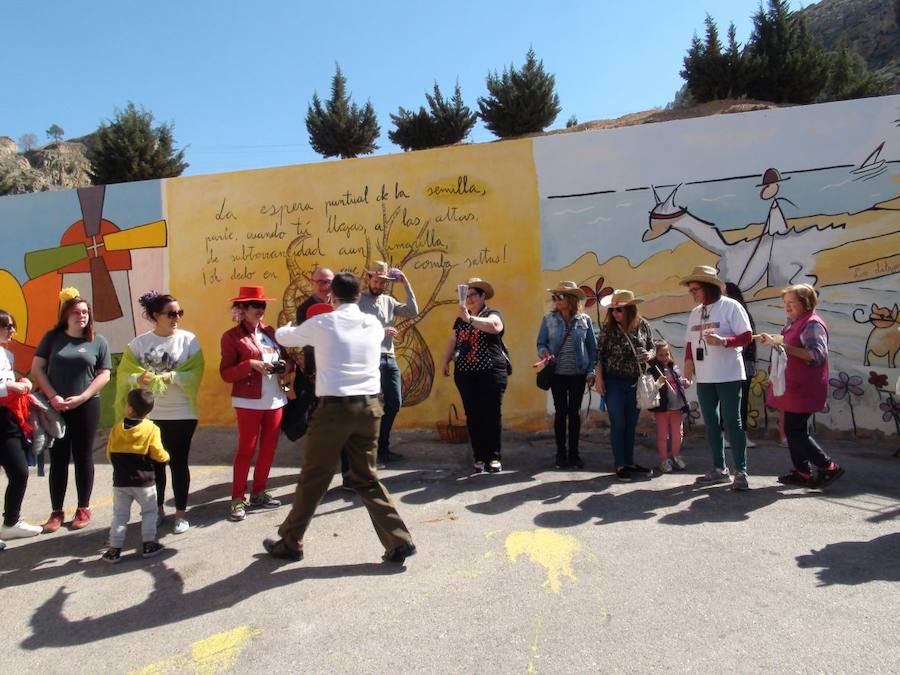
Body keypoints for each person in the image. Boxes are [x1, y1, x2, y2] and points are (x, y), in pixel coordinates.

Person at [264, 272, 416, 563]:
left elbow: (286, 336)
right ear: (359, 296)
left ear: (331, 296)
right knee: (367, 478)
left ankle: (290, 541)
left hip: (334, 409)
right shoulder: (372, 323)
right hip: (370, 408)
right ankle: (398, 539)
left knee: (313, 477)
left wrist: (284, 326)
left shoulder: (323, 322)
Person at [116, 291, 204, 534]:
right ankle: (157, 511)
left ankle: (181, 514)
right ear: (156, 315)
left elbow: (196, 373)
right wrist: (139, 377)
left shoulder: (189, 340)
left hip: (182, 413)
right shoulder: (139, 343)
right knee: (155, 466)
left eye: (179, 312)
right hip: (151, 415)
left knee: (178, 463)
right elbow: (124, 375)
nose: (176, 317)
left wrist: (172, 376)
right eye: (171, 313)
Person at [31, 288, 112, 532]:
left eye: (86, 312)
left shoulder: (98, 341)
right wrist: (53, 396)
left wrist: (83, 397)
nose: (82, 316)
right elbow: (37, 369)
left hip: (86, 405)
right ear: (66, 315)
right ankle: (56, 512)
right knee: (58, 458)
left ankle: (83, 507)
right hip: (55, 407)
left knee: (83, 455)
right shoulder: (52, 338)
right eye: (77, 312)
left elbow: (104, 373)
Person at [761, 284, 844, 487]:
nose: (787, 307)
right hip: (795, 386)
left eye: (792, 303)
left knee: (795, 431)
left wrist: (782, 346)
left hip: (804, 388)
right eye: (785, 303)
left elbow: (816, 355)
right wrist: (775, 342)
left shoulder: (812, 324)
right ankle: (802, 472)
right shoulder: (796, 322)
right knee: (793, 430)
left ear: (805, 303)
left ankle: (827, 466)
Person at [219, 285, 290, 522]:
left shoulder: (270, 331)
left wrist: (285, 366)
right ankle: (238, 498)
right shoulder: (231, 337)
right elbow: (226, 373)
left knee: (269, 449)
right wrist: (250, 365)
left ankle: (259, 492)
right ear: (243, 308)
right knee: (246, 451)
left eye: (263, 305)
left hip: (275, 398)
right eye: (255, 305)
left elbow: (289, 362)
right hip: (248, 401)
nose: (260, 309)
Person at [681, 266, 753, 490]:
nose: (692, 293)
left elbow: (747, 336)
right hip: (705, 376)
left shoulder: (731, 306)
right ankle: (719, 468)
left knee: (733, 421)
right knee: (711, 422)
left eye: (696, 289)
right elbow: (691, 342)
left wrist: (724, 341)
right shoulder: (695, 312)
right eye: (691, 290)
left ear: (709, 287)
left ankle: (740, 470)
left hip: (729, 373)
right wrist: (688, 366)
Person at [441, 278, 509, 474]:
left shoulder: (492, 313)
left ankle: (493, 457)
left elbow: (495, 327)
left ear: (482, 296)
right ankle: (479, 455)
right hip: (465, 373)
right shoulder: (459, 319)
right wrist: (445, 361)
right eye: (466, 295)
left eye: (472, 295)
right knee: (473, 415)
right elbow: (452, 341)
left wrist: (470, 319)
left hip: (490, 372)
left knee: (491, 414)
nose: (469, 299)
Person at [359, 261, 419, 465]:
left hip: (389, 357)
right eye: (376, 281)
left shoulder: (389, 301)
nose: (380, 285)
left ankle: (382, 447)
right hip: (369, 358)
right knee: (369, 407)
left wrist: (407, 284)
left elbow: (413, 311)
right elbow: (353, 330)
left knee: (394, 402)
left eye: (384, 282)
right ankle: (368, 450)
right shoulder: (358, 301)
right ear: (368, 279)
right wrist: (381, 332)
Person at [101, 389, 170, 563]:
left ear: (130, 409)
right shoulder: (151, 429)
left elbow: (108, 453)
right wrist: (166, 457)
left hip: (121, 481)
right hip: (144, 481)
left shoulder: (117, 428)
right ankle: (148, 544)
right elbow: (158, 453)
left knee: (120, 515)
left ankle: (114, 550)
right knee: (149, 513)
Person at [593, 289, 654, 482]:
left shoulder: (643, 325)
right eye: (613, 310)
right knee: (618, 423)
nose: (615, 314)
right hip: (614, 381)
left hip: (635, 382)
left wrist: (649, 355)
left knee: (631, 424)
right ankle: (620, 463)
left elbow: (653, 347)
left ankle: (629, 462)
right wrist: (599, 379)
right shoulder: (608, 329)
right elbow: (599, 356)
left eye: (619, 310)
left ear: (629, 309)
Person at [536, 281, 597, 469]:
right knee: (561, 413)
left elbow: (592, 348)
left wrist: (591, 371)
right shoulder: (548, 319)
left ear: (570, 299)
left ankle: (574, 454)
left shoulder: (584, 320)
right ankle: (561, 454)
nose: (555, 300)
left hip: (578, 374)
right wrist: (544, 353)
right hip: (557, 374)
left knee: (574, 413)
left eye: (559, 297)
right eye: (554, 297)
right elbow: (541, 343)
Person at [0, 310, 42, 550]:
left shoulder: (6, 354)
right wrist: (12, 386)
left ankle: (11, 521)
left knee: (19, 471)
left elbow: (8, 382)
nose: (12, 330)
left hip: (9, 419)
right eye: (6, 326)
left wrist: (22, 383)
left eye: (12, 325)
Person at [646, 339, 690, 473]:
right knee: (663, 435)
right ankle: (663, 459)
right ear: (655, 356)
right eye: (661, 355)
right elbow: (651, 390)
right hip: (662, 408)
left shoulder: (674, 368)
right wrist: (658, 383)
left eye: (667, 354)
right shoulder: (653, 371)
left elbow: (679, 383)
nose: (665, 358)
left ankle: (675, 455)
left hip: (676, 406)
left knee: (678, 434)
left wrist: (684, 382)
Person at [724, 282, 757, 448]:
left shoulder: (738, 312)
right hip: (739, 362)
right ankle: (727, 435)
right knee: (729, 399)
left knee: (739, 400)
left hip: (742, 362)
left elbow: (747, 339)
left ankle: (740, 435)